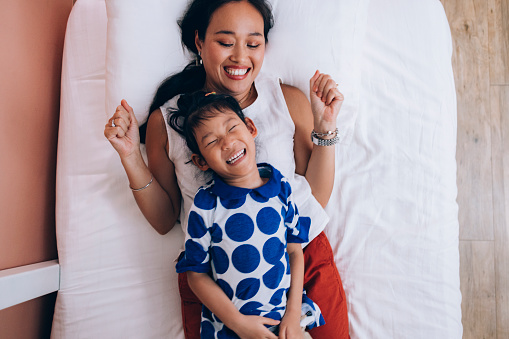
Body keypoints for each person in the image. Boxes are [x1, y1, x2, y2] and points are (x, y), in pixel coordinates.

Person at [104, 0, 349, 338]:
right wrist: (131, 157)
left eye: (253, 43)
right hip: (215, 281)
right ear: (199, 43)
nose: (240, 57)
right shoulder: (168, 121)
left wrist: (325, 127)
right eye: (224, 42)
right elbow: (165, 221)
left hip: (302, 258)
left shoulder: (287, 100)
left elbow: (315, 199)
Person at [174, 91, 325, 338]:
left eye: (232, 128)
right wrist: (239, 324)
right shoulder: (206, 205)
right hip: (231, 330)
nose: (227, 143)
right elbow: (196, 276)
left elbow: (295, 251)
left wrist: (292, 315)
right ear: (201, 161)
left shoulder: (281, 188)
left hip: (287, 322)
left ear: (250, 127)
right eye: (212, 141)